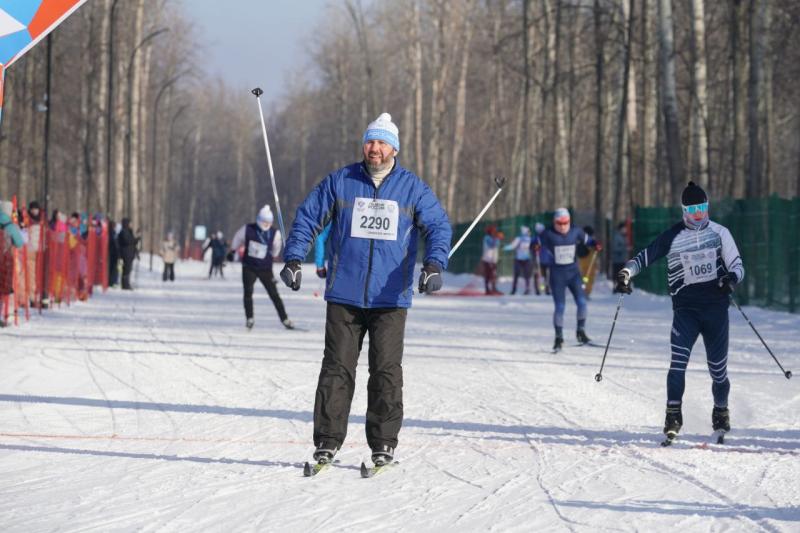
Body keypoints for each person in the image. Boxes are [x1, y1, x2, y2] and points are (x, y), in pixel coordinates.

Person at [280, 112, 451, 468]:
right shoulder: (341, 181)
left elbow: (437, 226)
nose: (375, 148)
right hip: (345, 293)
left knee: (386, 371)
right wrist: (295, 257)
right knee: (337, 369)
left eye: (382, 142)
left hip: (391, 296)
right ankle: (327, 440)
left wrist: (434, 265)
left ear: (394, 149)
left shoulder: (412, 188)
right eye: (371, 141)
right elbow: (309, 216)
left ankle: (383, 443)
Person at [614, 181, 745, 442]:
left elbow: (738, 265)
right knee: (678, 363)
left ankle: (720, 411)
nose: (699, 214)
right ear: (684, 210)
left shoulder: (720, 233)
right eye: (693, 208)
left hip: (715, 310)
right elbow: (645, 256)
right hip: (685, 310)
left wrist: (730, 279)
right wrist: (626, 273)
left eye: (703, 207)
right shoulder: (673, 236)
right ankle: (673, 415)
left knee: (718, 369)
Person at [230, 205, 294, 330]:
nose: (266, 224)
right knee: (248, 292)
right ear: (259, 220)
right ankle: (250, 318)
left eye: (268, 222)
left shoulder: (274, 233)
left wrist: (273, 254)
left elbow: (276, 250)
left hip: (265, 269)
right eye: (264, 221)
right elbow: (237, 239)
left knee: (274, 294)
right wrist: (233, 250)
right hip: (249, 266)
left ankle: (284, 319)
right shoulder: (248, 229)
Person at [539, 208, 591, 351]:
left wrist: (594, 244)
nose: (562, 226)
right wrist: (536, 245)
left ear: (569, 221)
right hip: (557, 276)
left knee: (582, 302)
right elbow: (536, 241)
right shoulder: (548, 233)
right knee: (560, 307)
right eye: (559, 223)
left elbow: (588, 239)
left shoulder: (575, 231)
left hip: (574, 275)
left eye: (565, 223)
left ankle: (581, 331)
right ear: (554, 222)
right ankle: (559, 337)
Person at [0, 200, 24, 326]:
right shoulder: (10, 226)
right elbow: (19, 243)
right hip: (5, 261)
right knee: (5, 290)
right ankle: (5, 315)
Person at [25, 201, 45, 306]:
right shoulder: (27, 219)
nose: (34, 211)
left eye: (36, 208)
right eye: (32, 209)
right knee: (31, 274)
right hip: (31, 250)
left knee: (39, 275)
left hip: (41, 251)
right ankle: (32, 297)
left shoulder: (42, 219)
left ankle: (40, 295)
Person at [503, 225, 533, 295]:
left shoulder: (530, 239)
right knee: (517, 275)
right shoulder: (519, 239)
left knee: (527, 276)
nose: (529, 233)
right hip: (519, 260)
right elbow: (512, 246)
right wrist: (506, 247)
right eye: (528, 231)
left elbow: (534, 247)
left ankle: (527, 289)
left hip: (526, 260)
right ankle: (514, 290)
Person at [577, 225, 602, 297]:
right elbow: (598, 247)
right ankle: (586, 291)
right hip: (590, 262)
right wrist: (598, 247)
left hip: (582, 261)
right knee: (589, 277)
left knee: (584, 276)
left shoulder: (580, 240)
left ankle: (583, 290)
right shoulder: (590, 240)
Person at [481, 225, 503, 295]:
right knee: (489, 275)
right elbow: (492, 245)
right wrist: (497, 238)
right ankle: (488, 289)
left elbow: (496, 245)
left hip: (493, 260)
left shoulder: (494, 238)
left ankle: (493, 288)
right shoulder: (487, 238)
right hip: (487, 259)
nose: (495, 232)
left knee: (493, 274)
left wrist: (498, 239)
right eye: (494, 231)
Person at [117, 218, 137, 290]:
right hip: (125, 254)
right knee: (126, 269)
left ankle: (127, 283)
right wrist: (135, 239)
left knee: (128, 269)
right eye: (130, 223)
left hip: (129, 253)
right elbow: (127, 241)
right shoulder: (123, 232)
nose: (131, 225)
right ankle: (125, 285)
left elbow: (132, 242)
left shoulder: (129, 231)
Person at [532, 222, 552, 295]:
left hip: (547, 259)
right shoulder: (536, 237)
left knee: (547, 275)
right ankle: (539, 289)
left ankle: (547, 289)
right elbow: (532, 245)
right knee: (539, 275)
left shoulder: (547, 235)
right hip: (539, 259)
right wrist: (535, 248)